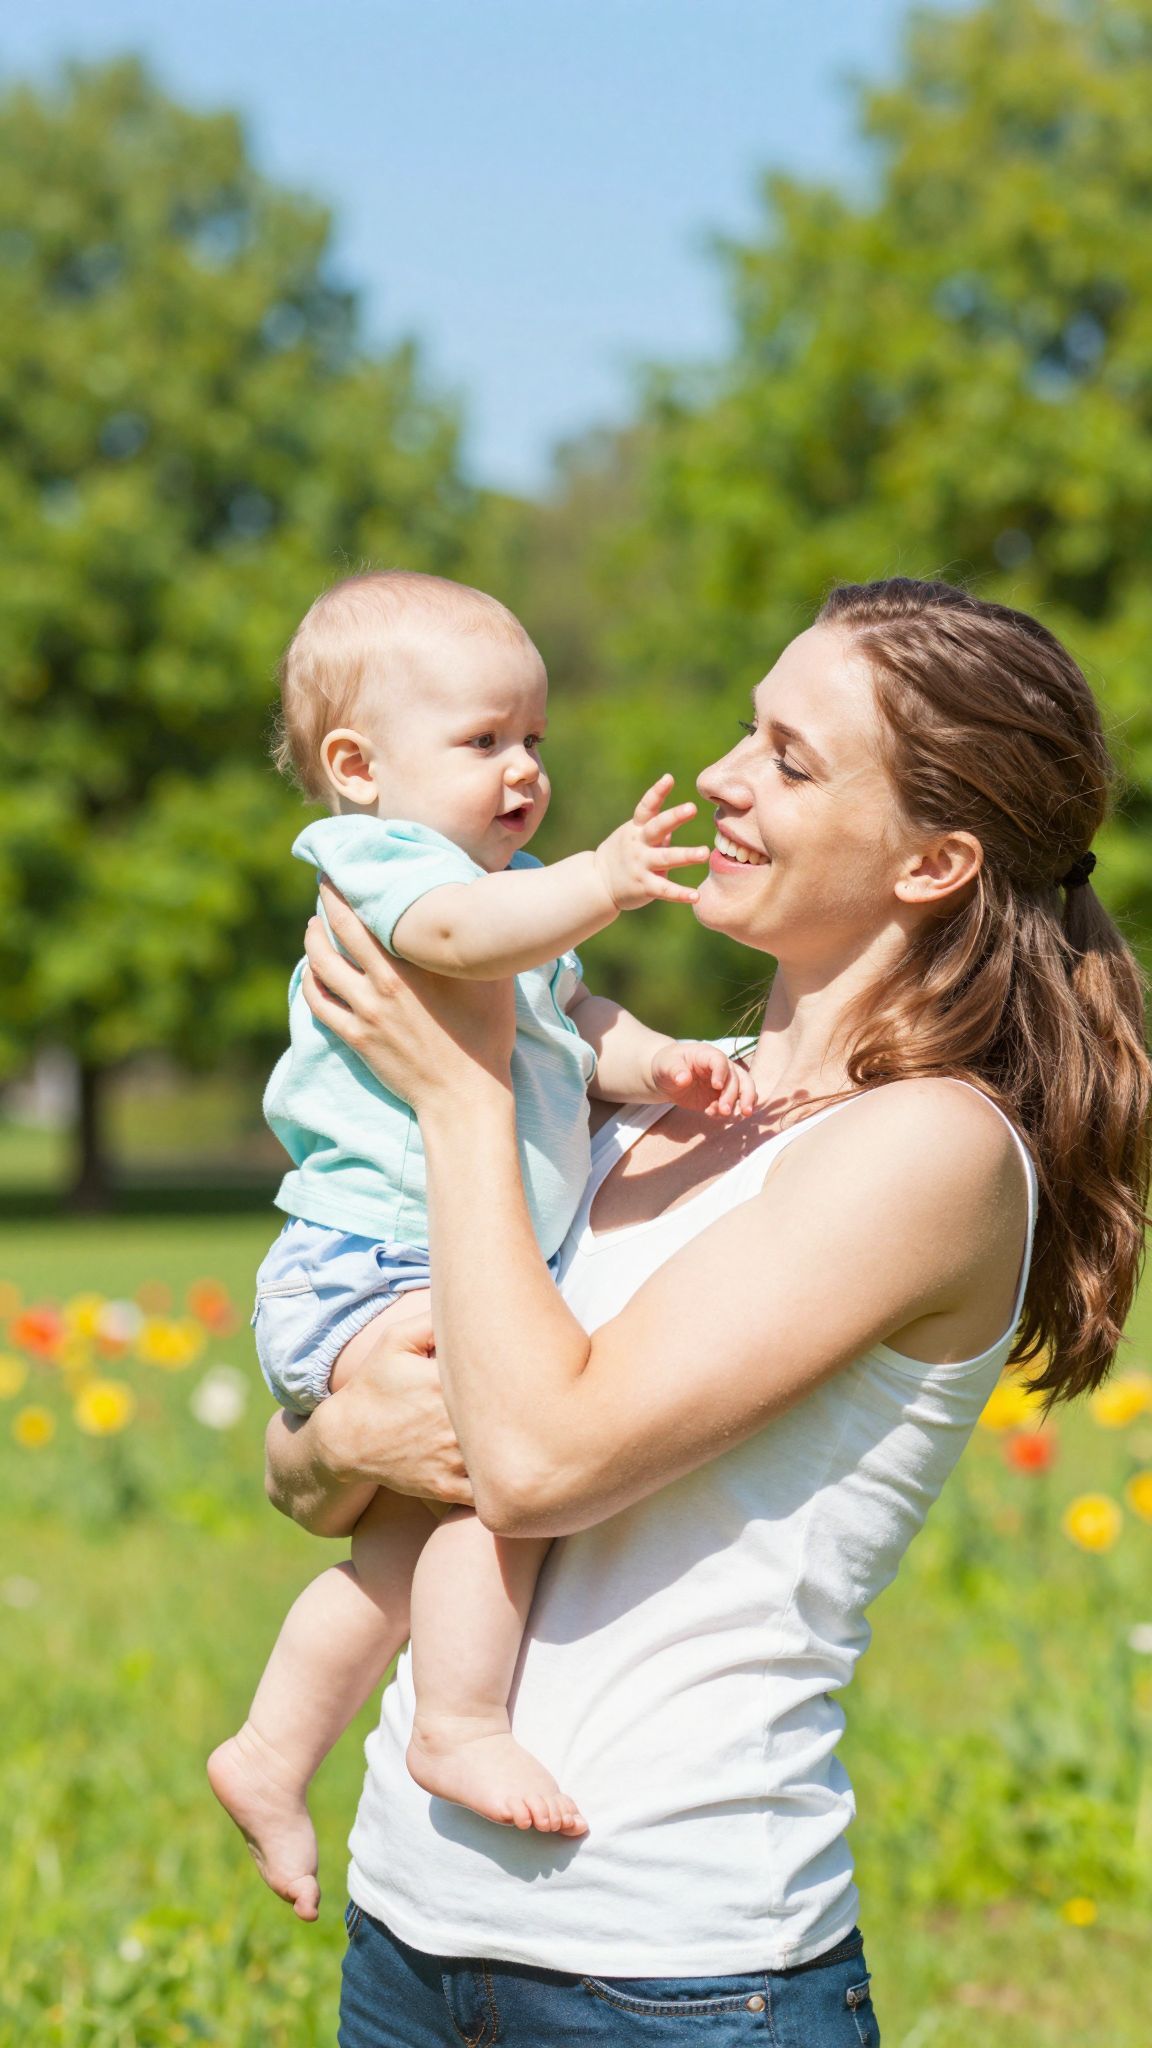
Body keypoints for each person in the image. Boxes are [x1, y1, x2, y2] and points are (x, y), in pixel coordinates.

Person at [265, 580, 1151, 2048]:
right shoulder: (660, 1098)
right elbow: (334, 1474)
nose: (729, 779)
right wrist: (334, 1434)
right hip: (414, 1933)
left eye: (793, 761)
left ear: (933, 860)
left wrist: (457, 1089)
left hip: (677, 1975)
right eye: (751, 731)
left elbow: (538, 1463)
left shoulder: (926, 1151)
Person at [208, 570, 757, 1920]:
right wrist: (602, 880)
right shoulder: (395, 871)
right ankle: (455, 1725)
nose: (524, 771)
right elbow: (465, 940)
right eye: (484, 741)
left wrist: (663, 1061)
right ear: (358, 767)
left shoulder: (508, 899)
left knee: (394, 1561)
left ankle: (271, 1749)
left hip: (401, 1260)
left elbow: (571, 1022)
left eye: (535, 742)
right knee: (489, 1487)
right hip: (377, 1263)